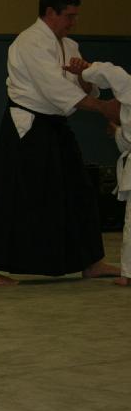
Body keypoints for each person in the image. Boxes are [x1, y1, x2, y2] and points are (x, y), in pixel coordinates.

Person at [0, 0, 121, 286]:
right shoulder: (29, 42)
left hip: (56, 124)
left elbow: (82, 87)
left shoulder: (70, 45)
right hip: (26, 125)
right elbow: (53, 88)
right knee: (13, 192)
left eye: (76, 16)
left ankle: (92, 261)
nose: (73, 22)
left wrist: (83, 76)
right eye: (69, 16)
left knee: (79, 188)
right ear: (51, 12)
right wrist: (103, 108)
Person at [70, 60, 131, 287]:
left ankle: (129, 274)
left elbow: (111, 72)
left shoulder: (128, 91)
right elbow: (126, 143)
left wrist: (85, 70)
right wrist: (117, 131)